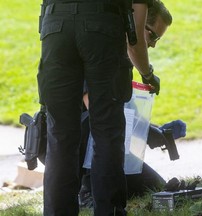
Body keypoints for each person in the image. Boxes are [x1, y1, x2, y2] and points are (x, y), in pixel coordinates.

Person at [37, 0, 159, 215]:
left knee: (60, 136)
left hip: (54, 27)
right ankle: (109, 211)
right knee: (107, 133)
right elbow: (136, 37)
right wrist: (147, 74)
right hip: (103, 28)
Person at [78, 0, 179, 208]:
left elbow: (120, 111)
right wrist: (142, 132)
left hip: (107, 139)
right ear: (138, 23)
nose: (152, 45)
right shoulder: (101, 47)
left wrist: (149, 130)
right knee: (98, 125)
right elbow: (96, 111)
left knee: (156, 187)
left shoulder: (122, 57)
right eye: (153, 35)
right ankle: (87, 192)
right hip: (78, 139)